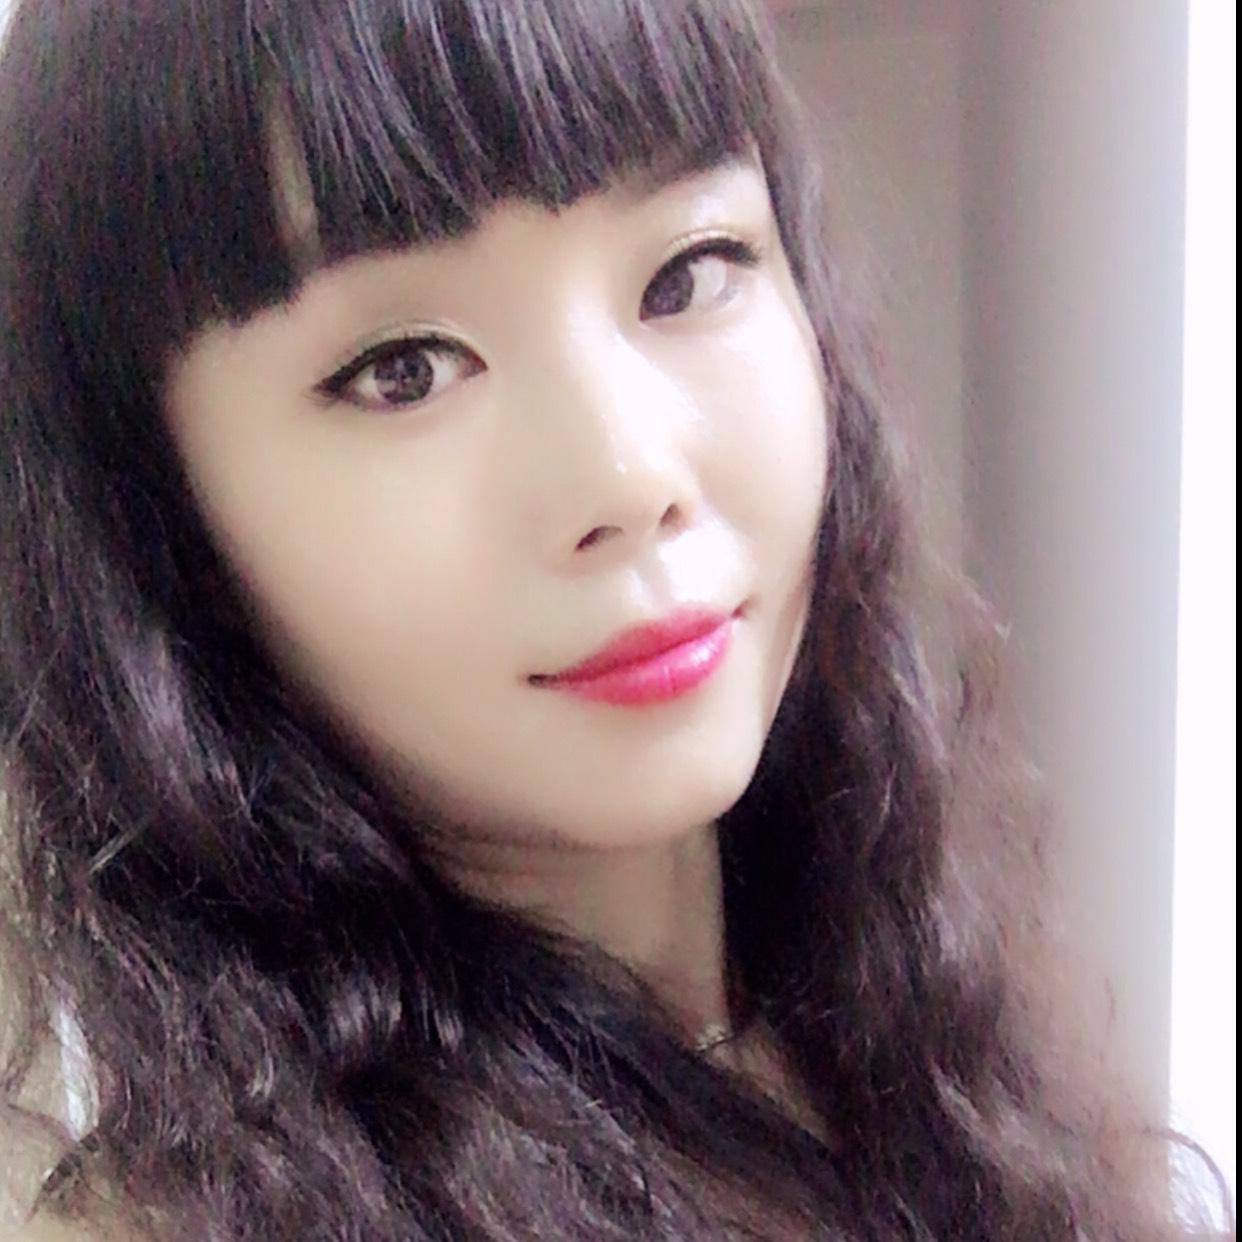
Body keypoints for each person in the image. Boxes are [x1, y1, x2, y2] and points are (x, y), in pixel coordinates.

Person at [0, 0, 1224, 1238]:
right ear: (156, 511)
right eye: (404, 369)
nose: (629, 476)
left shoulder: (900, 1020)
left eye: (688, 274)